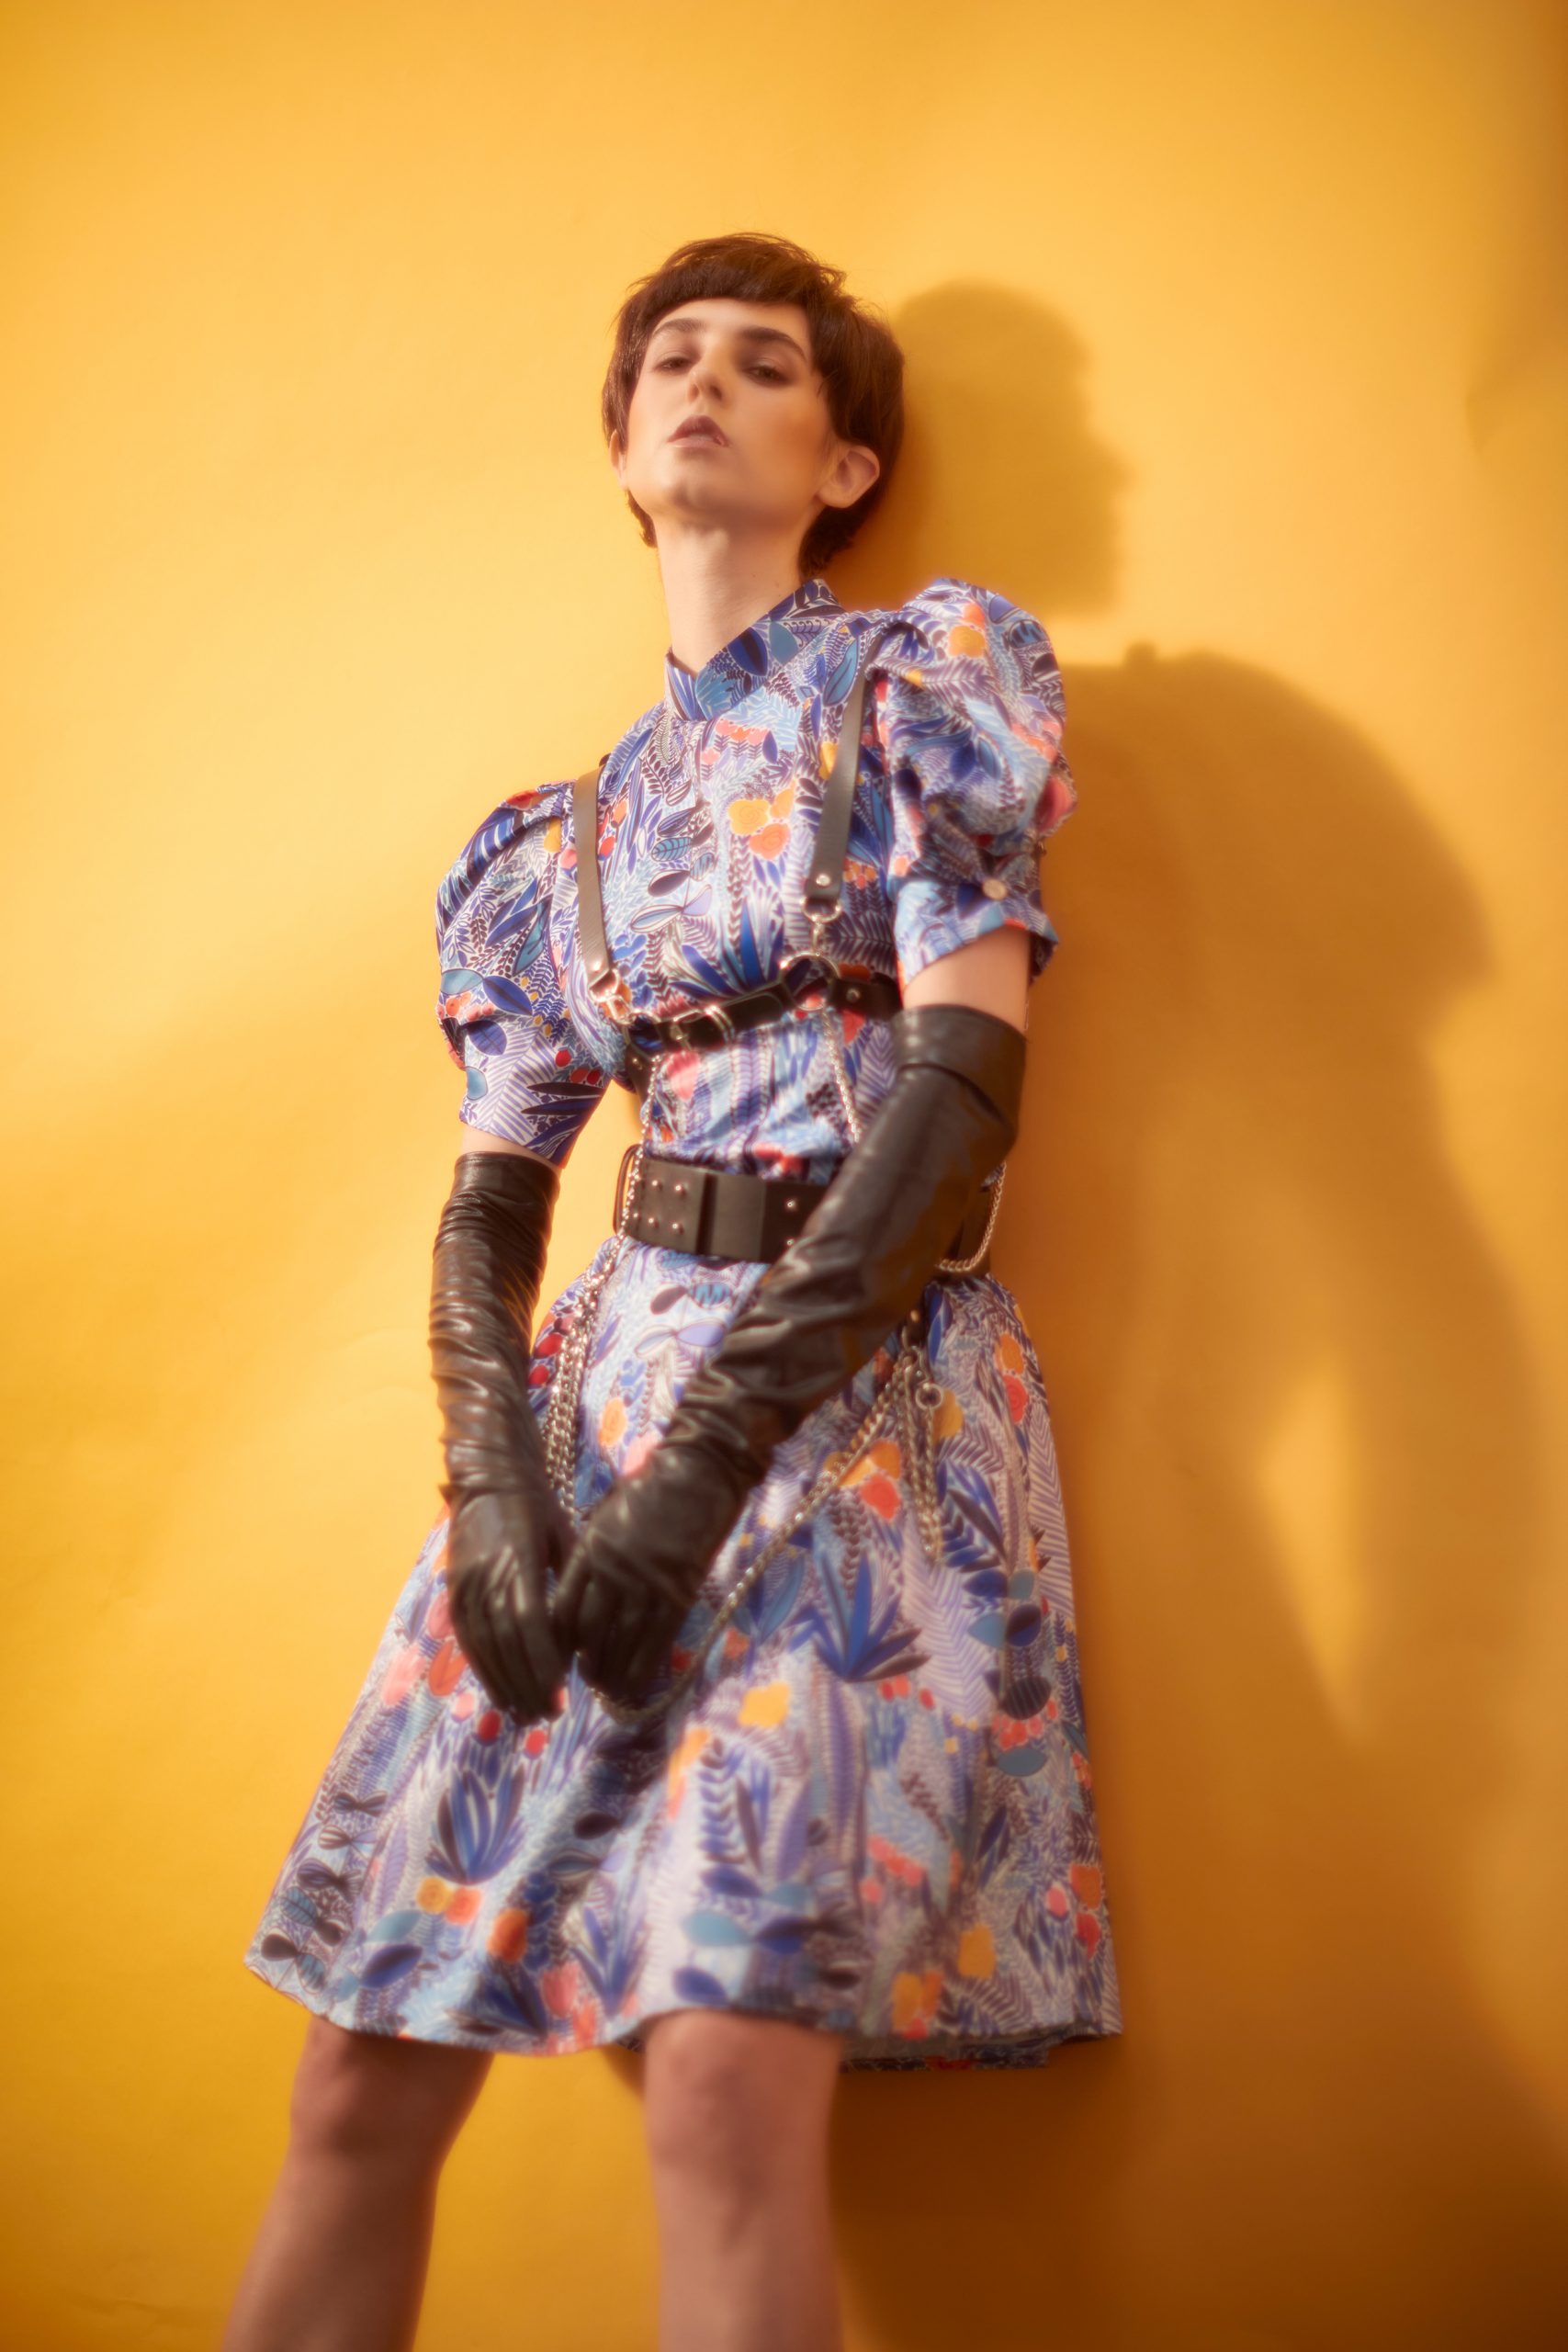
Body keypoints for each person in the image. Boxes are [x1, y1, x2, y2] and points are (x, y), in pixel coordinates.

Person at [225, 230, 1123, 2352]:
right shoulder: (553, 846)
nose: (703, 383)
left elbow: (960, 1085)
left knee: (721, 2077)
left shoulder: (916, 685)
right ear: (625, 454)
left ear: (845, 462)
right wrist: (497, 1485)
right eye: (668, 364)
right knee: (360, 2064)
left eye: (766, 364)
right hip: (591, 1403)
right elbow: (492, 1199)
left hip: (854, 1405)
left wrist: (704, 1466)